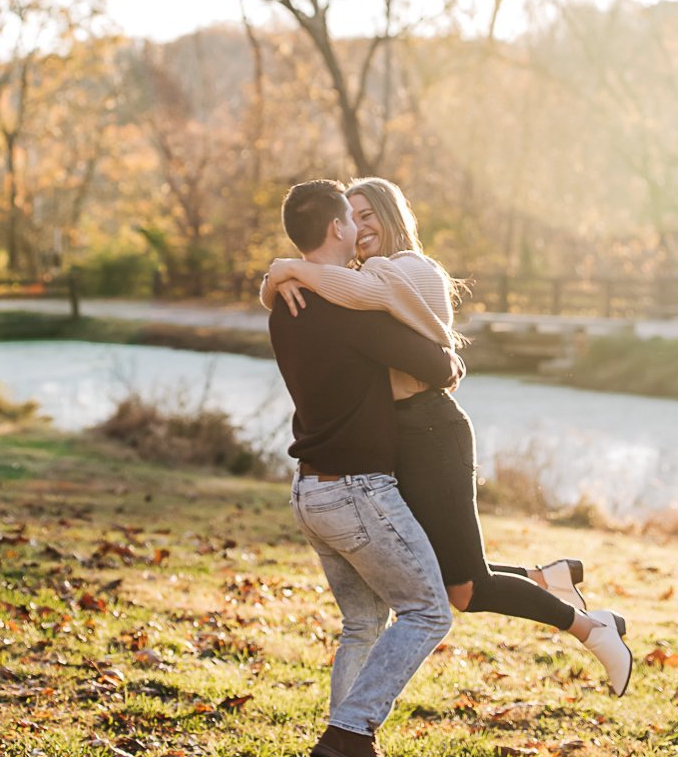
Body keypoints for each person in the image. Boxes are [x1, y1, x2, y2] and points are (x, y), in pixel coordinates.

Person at [261, 178, 633, 694]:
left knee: (463, 587)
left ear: (392, 217)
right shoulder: (356, 279)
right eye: (354, 215)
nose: (362, 226)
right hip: (399, 440)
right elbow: (333, 293)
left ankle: (595, 630)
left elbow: (382, 316)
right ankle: (546, 578)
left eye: (369, 215)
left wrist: (288, 269)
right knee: (441, 568)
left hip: (433, 429)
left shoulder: (412, 270)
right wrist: (280, 277)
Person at [265, 178, 457, 757]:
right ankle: (352, 731)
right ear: (335, 230)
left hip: (309, 493)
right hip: (356, 490)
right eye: (351, 218)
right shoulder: (344, 310)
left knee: (362, 624)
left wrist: (278, 274)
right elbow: (440, 365)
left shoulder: (288, 303)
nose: (358, 227)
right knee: (428, 610)